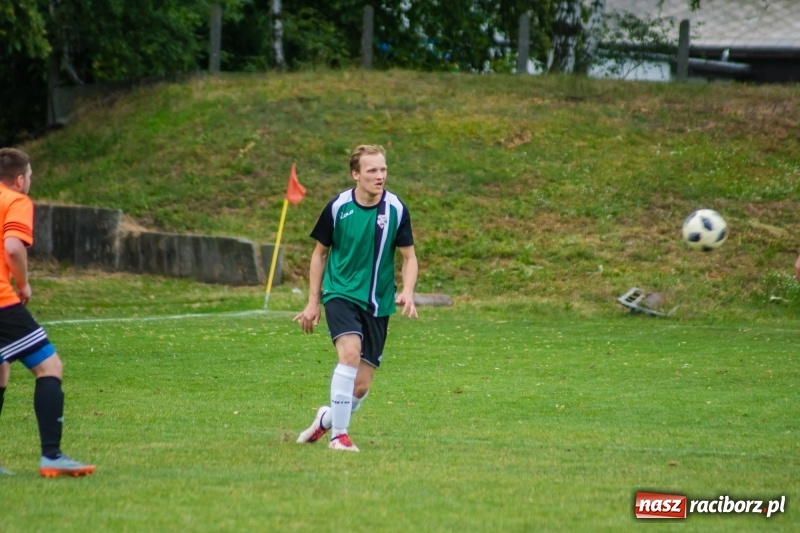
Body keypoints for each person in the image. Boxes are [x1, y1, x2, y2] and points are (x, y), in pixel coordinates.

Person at [293, 144, 418, 452]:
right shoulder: (338, 208)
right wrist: (313, 301)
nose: (380, 176)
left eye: (383, 169)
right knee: (349, 354)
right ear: (356, 174)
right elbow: (320, 254)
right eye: (372, 170)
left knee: (360, 387)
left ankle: (325, 420)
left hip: (378, 303)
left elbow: (409, 258)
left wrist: (408, 291)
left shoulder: (396, 209)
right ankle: (339, 436)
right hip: (340, 293)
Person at [0, 147, 95, 477]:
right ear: (20, 179)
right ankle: (51, 456)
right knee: (49, 366)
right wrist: (23, 284)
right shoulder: (16, 201)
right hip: (1, 302)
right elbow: (12, 247)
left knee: (1, 370)